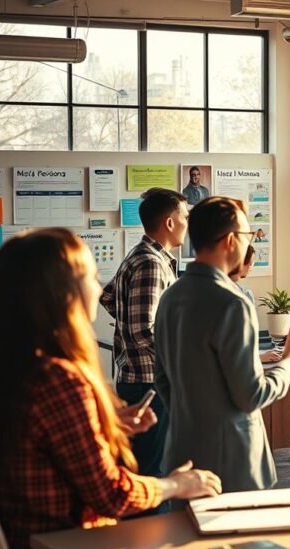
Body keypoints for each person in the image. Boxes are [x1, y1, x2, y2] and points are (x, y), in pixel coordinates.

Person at [0, 229, 221, 549]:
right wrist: (177, 485)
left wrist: (104, 424)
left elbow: (28, 445)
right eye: (90, 276)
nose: (99, 287)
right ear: (62, 293)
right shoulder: (59, 380)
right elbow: (112, 495)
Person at [154, 197, 290, 493]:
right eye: (248, 236)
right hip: (233, 463)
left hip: (182, 455)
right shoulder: (232, 303)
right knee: (240, 540)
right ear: (230, 240)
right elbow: (251, 395)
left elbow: (162, 382)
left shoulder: (170, 297)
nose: (249, 243)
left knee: (186, 537)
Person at [99, 187, 188, 486]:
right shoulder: (151, 262)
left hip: (136, 377)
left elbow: (109, 297)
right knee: (154, 471)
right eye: (185, 216)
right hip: (149, 382)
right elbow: (142, 330)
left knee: (146, 465)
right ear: (170, 223)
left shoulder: (141, 254)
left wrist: (127, 322)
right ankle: (150, 532)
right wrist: (175, 361)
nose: (189, 224)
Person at [230, 245, 282, 365]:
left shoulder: (246, 293)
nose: (251, 267)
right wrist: (257, 358)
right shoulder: (238, 295)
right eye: (250, 263)